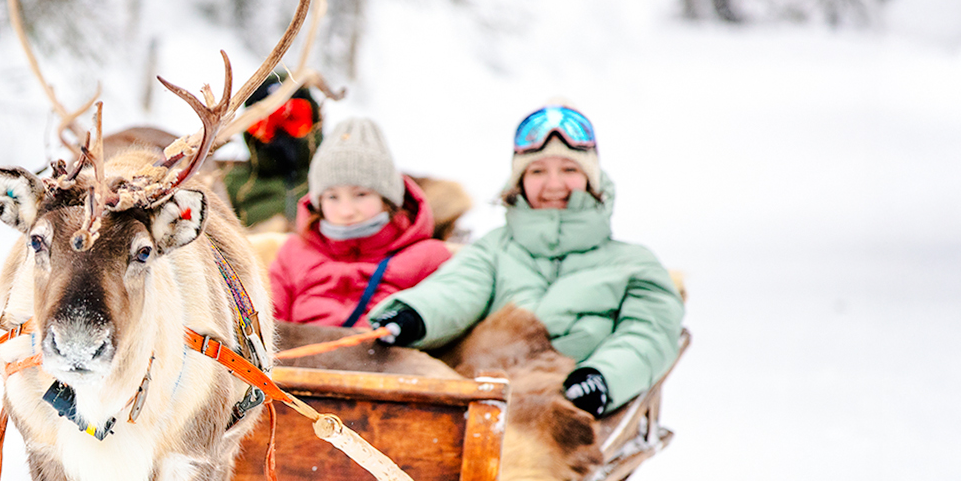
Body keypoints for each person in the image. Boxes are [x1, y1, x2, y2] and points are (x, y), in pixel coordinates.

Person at [369, 104, 683, 417]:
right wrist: (414, 315)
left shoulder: (634, 265)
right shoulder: (493, 249)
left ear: (592, 179)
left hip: (564, 411)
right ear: (519, 181)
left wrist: (602, 377)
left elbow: (648, 334)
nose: (554, 185)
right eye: (537, 171)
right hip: (483, 402)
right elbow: (456, 290)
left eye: (570, 170)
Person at [269, 118, 454, 328]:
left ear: (387, 199)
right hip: (299, 357)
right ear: (318, 203)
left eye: (361, 194)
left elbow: (446, 314)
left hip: (389, 358)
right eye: (332, 197)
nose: (346, 211)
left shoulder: (429, 258)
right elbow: (268, 320)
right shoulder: (293, 254)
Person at [225, 72, 322, 229]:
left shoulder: (334, 185)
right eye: (265, 124)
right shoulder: (229, 187)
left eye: (293, 118)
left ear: (315, 121)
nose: (281, 135)